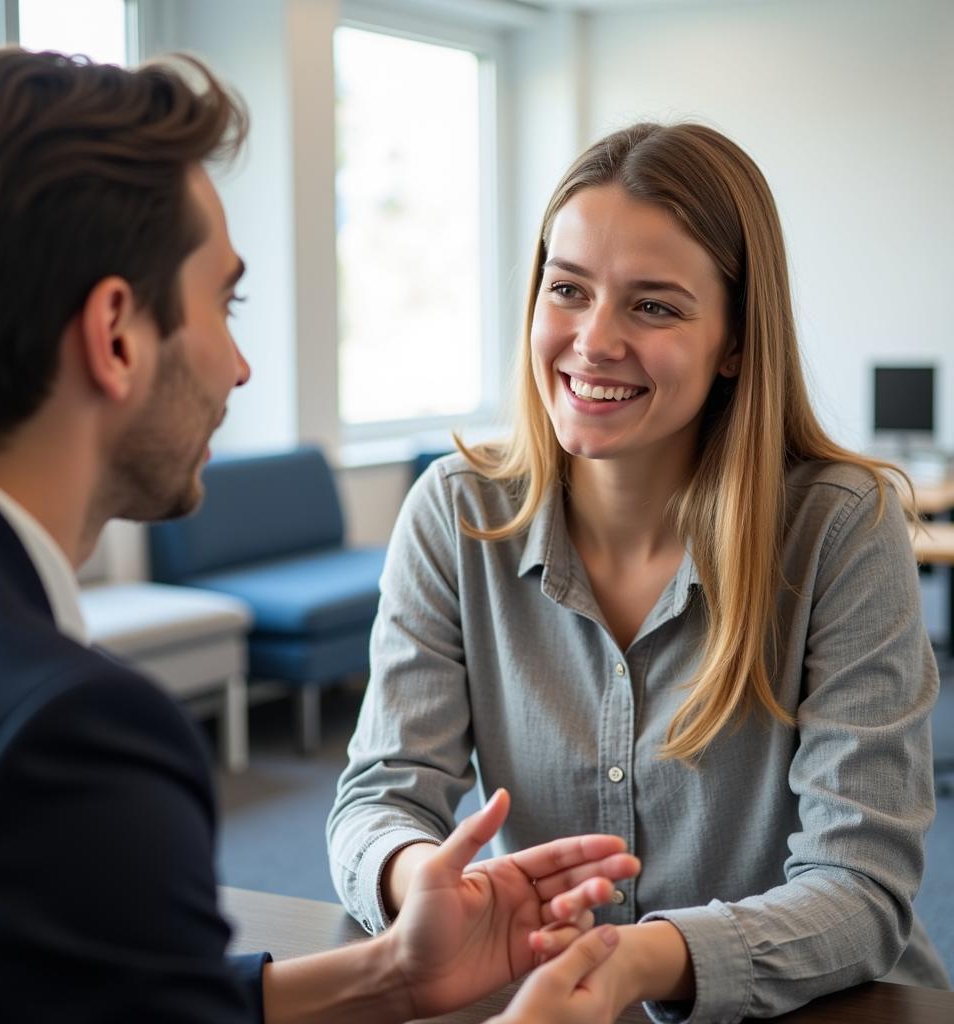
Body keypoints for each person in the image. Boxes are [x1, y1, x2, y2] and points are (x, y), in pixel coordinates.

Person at [0, 48, 644, 1023]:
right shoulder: (65, 736)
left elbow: (103, 1000)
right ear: (115, 336)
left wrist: (387, 974)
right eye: (224, 304)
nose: (240, 366)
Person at [327, 121, 953, 1022]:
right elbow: (376, 799)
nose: (593, 341)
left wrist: (634, 959)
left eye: (654, 306)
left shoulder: (840, 529)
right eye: (567, 289)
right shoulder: (456, 512)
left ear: (736, 341)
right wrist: (413, 876)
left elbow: (861, 889)